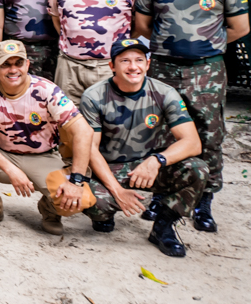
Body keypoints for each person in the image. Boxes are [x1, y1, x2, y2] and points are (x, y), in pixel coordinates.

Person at [132, 0, 249, 232]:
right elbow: (142, 27)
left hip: (206, 69)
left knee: (209, 133)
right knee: (159, 132)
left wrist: (204, 44)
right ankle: (160, 194)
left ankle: (204, 199)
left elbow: (240, 27)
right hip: (163, 69)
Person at [80, 37, 209, 257]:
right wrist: (117, 191)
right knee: (93, 202)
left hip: (148, 165)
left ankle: (163, 226)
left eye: (139, 60)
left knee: (198, 169)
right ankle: (106, 214)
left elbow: (193, 142)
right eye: (125, 61)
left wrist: (156, 160)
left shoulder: (165, 93)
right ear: (112, 66)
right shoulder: (94, 96)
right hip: (108, 167)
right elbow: (90, 150)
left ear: (147, 64)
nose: (133, 66)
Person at [0, 40, 95, 235]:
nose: (13, 70)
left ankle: (50, 209)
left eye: (18, 63)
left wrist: (76, 182)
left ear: (27, 65)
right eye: (5, 64)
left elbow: (84, 131)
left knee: (81, 200)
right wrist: (12, 170)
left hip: (43, 156)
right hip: (3, 155)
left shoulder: (46, 89)